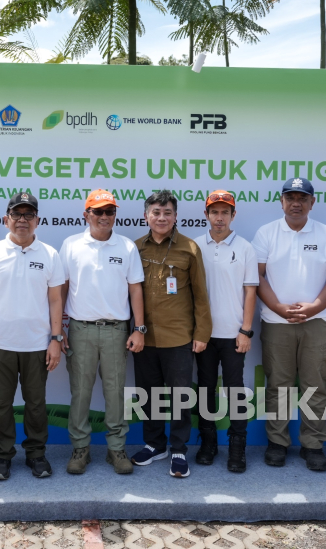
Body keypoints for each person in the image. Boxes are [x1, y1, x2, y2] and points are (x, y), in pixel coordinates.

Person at [253, 178, 326, 472]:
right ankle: (278, 442)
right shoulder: (266, 233)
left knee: (314, 385)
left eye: (302, 198)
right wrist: (279, 308)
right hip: (276, 322)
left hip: (318, 322)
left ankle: (313, 444)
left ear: (312, 202)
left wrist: (315, 307)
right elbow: (257, 276)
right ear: (281, 201)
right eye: (290, 197)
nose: (296, 203)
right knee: (278, 384)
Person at [0, 192, 65, 481]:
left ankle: (36, 454)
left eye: (28, 215)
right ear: (6, 219)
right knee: (1, 404)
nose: (22, 220)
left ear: (37, 220)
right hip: (0, 344)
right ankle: (1, 456)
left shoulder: (50, 254)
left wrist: (55, 339)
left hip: (38, 345)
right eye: (17, 214)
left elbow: (55, 301)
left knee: (36, 404)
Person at [59, 189, 145, 475]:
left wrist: (139, 328)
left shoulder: (127, 247)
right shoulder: (71, 245)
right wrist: (58, 328)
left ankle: (116, 449)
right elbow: (60, 289)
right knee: (80, 393)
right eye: (98, 211)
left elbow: (136, 289)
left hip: (116, 331)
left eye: (109, 211)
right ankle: (80, 448)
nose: (104, 217)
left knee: (115, 393)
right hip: (80, 329)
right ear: (86, 215)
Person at [130, 189, 211, 479]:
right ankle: (154, 444)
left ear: (175, 216)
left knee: (179, 396)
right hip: (144, 338)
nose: (161, 217)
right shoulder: (135, 248)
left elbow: (201, 295)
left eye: (167, 213)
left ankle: (178, 448)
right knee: (147, 394)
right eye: (156, 212)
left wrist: (202, 333)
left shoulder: (189, 248)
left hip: (179, 337)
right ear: (146, 216)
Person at [193, 190, 258, 473]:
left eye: (225, 212)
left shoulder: (245, 248)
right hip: (203, 336)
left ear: (233, 215)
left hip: (234, 335)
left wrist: (245, 330)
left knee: (235, 392)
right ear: (206, 215)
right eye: (214, 212)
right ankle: (208, 443)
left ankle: (237, 446)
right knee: (206, 390)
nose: (219, 218)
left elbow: (250, 292)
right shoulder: (194, 247)